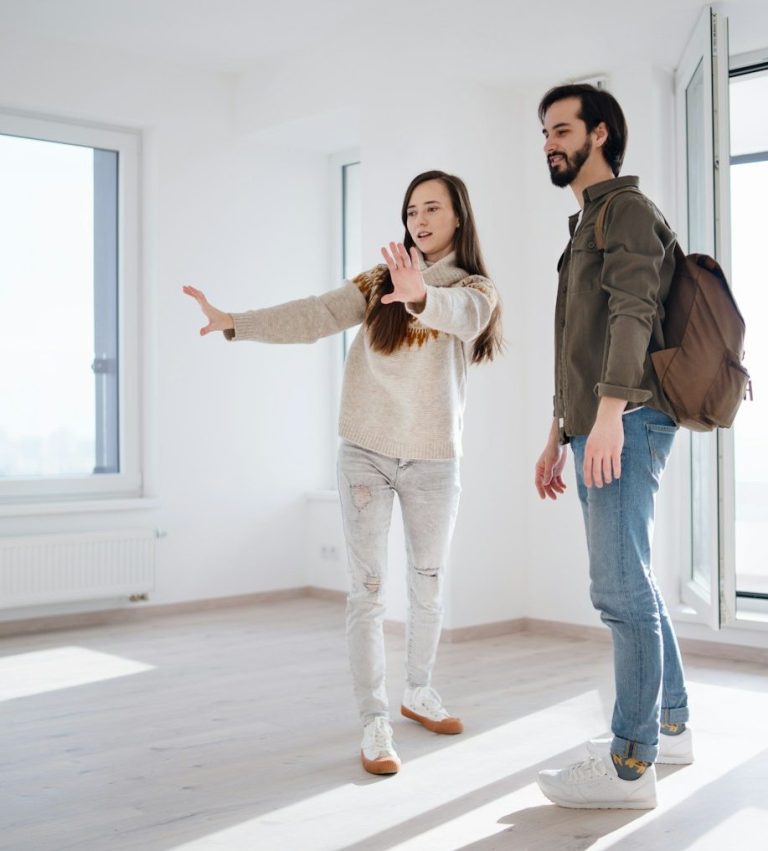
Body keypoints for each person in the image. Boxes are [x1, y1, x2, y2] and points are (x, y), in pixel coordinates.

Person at [183, 170, 502, 776]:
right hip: (366, 452)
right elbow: (315, 315)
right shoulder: (377, 281)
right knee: (370, 590)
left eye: (432, 209)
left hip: (435, 458)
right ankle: (374, 719)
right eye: (411, 211)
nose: (420, 221)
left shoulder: (477, 288)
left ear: (458, 216)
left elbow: (463, 315)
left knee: (429, 582)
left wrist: (421, 296)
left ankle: (419, 691)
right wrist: (234, 321)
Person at [533, 84, 692, 810]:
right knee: (635, 580)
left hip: (625, 418)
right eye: (544, 133)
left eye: (561, 129)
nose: (549, 143)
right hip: (597, 419)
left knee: (618, 591)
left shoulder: (624, 211)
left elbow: (633, 314)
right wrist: (557, 431)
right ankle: (673, 723)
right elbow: (579, 341)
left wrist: (608, 416)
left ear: (600, 133)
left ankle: (632, 764)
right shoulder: (587, 222)